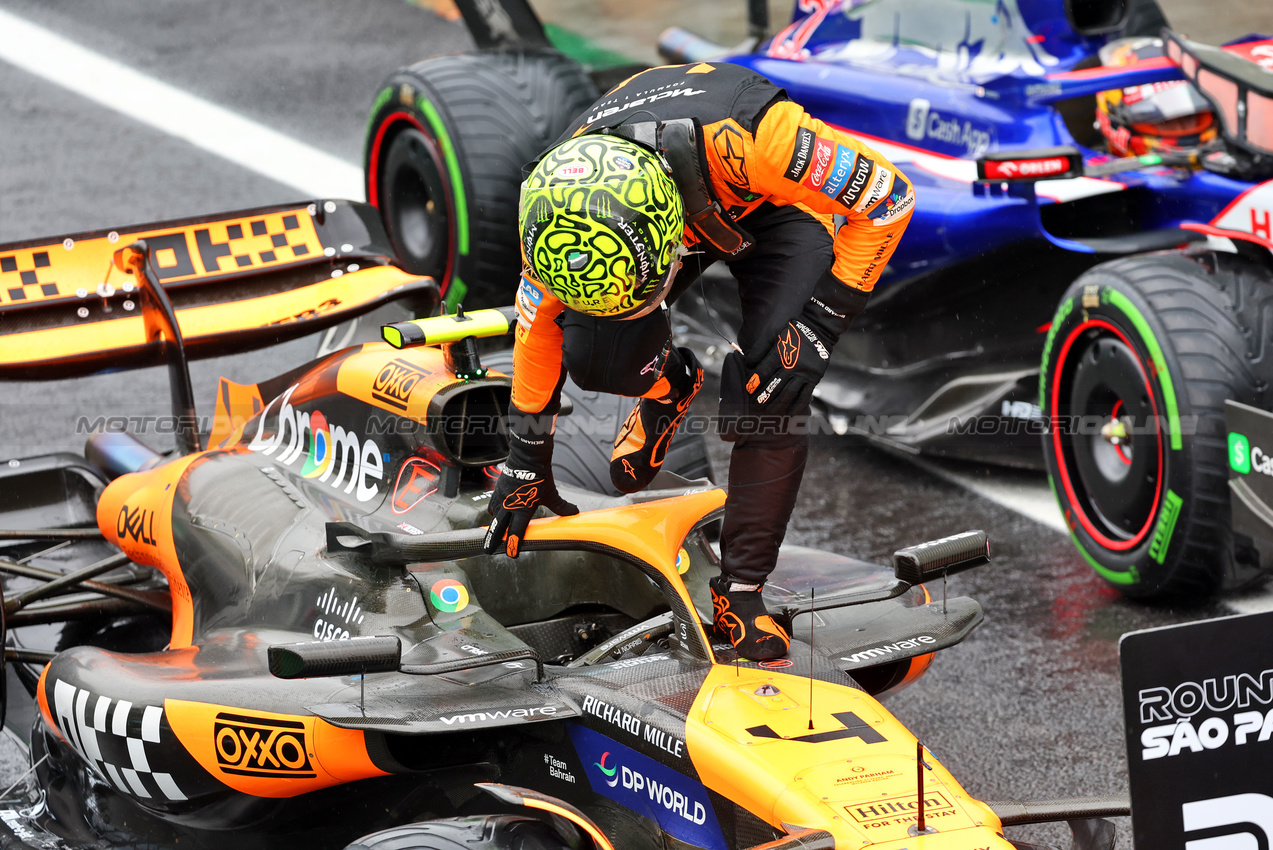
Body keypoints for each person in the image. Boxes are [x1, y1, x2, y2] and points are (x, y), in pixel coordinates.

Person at [482, 62, 914, 661]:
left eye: (644, 295)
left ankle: (741, 591)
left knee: (776, 387)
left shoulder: (766, 139)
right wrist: (525, 462)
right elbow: (536, 335)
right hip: (653, 210)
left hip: (773, 203)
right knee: (593, 356)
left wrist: (820, 324)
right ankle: (670, 385)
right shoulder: (560, 213)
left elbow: (891, 199)